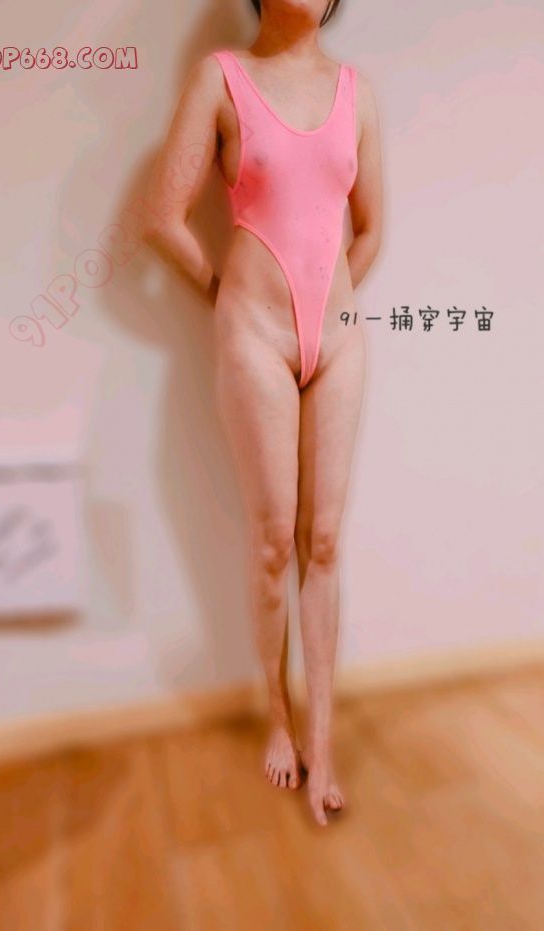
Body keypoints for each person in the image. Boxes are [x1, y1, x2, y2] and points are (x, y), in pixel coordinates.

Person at [143, 0, 383, 826]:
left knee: (326, 540)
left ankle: (324, 741)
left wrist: (332, 302)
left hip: (339, 342)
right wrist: (228, 295)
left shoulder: (357, 91)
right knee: (276, 539)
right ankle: (278, 718)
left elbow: (371, 226)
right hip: (253, 337)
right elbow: (162, 217)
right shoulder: (222, 79)